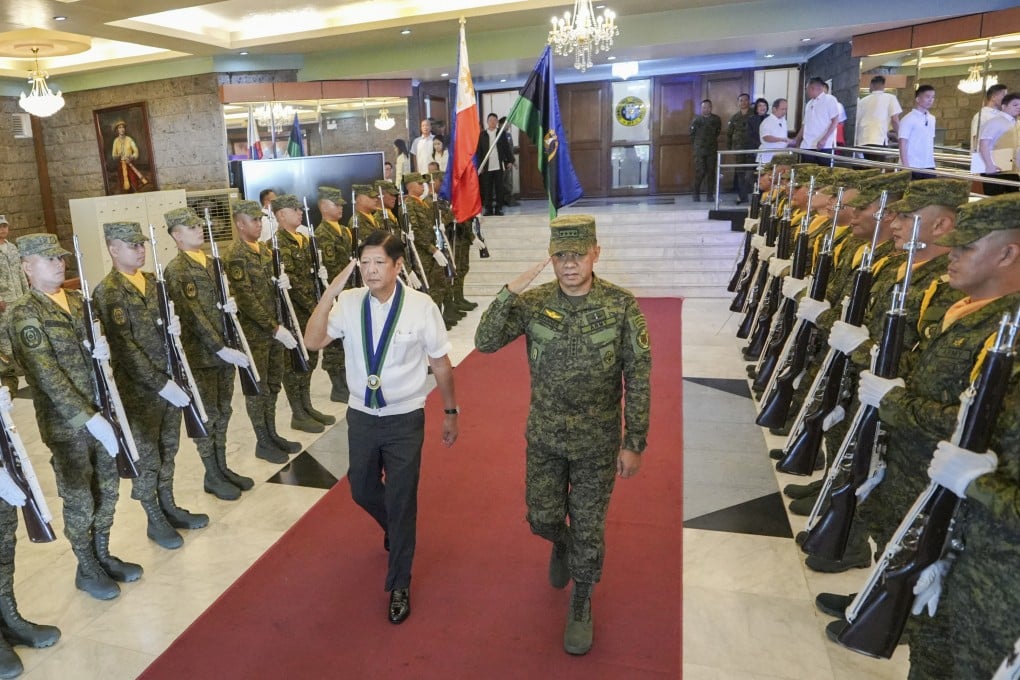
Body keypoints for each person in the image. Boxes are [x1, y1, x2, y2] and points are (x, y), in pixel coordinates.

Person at [841, 193, 1020, 677]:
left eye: (966, 247)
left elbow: (974, 429)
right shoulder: (969, 308)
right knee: (929, 644)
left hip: (990, 556)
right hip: (928, 484)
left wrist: (897, 402)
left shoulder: (1009, 332)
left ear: (1007, 254)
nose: (952, 254)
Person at [474, 215, 651, 656]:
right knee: (542, 518)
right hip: (546, 436)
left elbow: (639, 376)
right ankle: (559, 543)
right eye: (560, 256)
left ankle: (582, 600)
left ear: (596, 252)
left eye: (577, 254)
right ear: (550, 258)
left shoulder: (621, 305)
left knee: (589, 528)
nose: (569, 264)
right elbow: (484, 342)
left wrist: (634, 442)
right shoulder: (533, 303)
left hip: (598, 441)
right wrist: (510, 290)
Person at [304, 229, 459, 626]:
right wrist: (329, 294)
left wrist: (450, 411)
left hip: (405, 417)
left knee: (403, 499)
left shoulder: (421, 307)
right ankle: (393, 525)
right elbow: (313, 340)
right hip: (361, 416)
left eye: (379, 262)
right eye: (365, 263)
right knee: (362, 488)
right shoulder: (349, 302)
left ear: (398, 265)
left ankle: (399, 583)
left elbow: (440, 362)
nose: (371, 271)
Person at [10, 233, 141, 601]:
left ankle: (102, 553)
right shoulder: (25, 313)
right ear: (26, 267)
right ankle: (86, 567)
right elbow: (47, 376)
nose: (58, 263)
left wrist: (104, 354)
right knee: (80, 496)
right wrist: (89, 419)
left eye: (60, 258)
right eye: (48, 259)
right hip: (68, 426)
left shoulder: (78, 300)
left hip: (102, 411)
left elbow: (100, 358)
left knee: (108, 489)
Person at [94, 221, 207, 551]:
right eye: (132, 245)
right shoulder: (109, 292)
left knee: (168, 448)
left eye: (141, 244)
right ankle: (153, 517)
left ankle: (168, 503)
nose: (140, 249)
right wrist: (160, 384)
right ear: (114, 249)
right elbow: (125, 349)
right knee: (147, 457)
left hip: (169, 383)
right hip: (140, 392)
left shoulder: (153, 282)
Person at [163, 207, 254, 502]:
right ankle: (211, 474)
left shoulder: (213, 262)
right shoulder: (177, 270)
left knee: (224, 411)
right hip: (201, 356)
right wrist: (219, 348)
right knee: (208, 414)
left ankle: (221, 466)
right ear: (176, 235)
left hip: (225, 352)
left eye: (199, 226)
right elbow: (193, 316)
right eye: (191, 228)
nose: (199, 230)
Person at [224, 200, 302, 464]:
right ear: (240, 224)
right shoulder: (236, 255)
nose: (258, 225)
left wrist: (283, 285)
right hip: (255, 334)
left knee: (272, 385)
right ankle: (262, 440)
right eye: (253, 220)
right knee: (257, 389)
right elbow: (246, 299)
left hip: (274, 331)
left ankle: (272, 433)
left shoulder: (266, 251)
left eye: (260, 220)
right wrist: (274, 327)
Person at [271, 194, 336, 433]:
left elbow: (312, 276)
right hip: (295, 314)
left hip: (312, 310)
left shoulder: (305, 240)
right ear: (280, 215)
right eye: (294, 209)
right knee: (295, 363)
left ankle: (307, 406)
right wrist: (315, 307)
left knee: (311, 358)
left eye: (300, 209)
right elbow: (294, 283)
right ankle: (298, 412)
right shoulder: (276, 245)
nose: (300, 212)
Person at [314, 186, 352, 402]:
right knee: (334, 340)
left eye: (340, 205)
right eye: (335, 204)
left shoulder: (344, 230)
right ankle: (338, 386)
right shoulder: (321, 235)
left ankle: (347, 380)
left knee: (347, 338)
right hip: (333, 293)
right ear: (323, 206)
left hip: (348, 293)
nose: (340, 208)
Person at [0, 216, 27, 395]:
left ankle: (21, 363)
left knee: (19, 330)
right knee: (4, 334)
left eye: (4, 226)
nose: (2, 229)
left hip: (18, 296)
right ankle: (9, 370)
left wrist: (26, 295)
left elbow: (20, 272)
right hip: (4, 299)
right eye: (0, 227)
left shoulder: (12, 248)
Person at [977, 92, 1020, 195]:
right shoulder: (995, 121)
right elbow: (983, 144)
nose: (1018, 107)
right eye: (1015, 105)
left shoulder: (1015, 123)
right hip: (995, 169)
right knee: (995, 203)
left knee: (1013, 201)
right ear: (1004, 106)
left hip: (1011, 169)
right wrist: (989, 165)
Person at [794, 77, 841, 164]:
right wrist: (797, 139)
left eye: (806, 89)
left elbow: (835, 121)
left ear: (812, 88)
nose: (806, 91)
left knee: (821, 174)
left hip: (823, 146)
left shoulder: (830, 99)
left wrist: (824, 139)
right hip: (807, 146)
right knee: (806, 174)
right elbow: (805, 124)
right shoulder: (809, 103)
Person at [854, 75, 902, 159]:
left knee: (867, 168)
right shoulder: (890, 98)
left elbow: (857, 122)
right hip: (878, 140)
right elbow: (895, 120)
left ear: (871, 85)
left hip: (863, 139)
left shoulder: (862, 101)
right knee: (877, 167)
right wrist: (900, 137)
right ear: (884, 86)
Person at [476, 113, 513, 216]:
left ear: (497, 122)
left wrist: (509, 161)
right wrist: (480, 165)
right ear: (487, 122)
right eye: (490, 120)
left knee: (499, 188)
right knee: (487, 188)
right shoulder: (482, 135)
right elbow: (479, 152)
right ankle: (488, 209)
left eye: (494, 120)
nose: (492, 122)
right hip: (486, 166)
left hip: (498, 165)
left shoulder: (501, 133)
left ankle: (499, 208)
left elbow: (506, 149)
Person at [898, 84, 937, 178]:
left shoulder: (932, 118)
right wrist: (905, 166)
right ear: (918, 99)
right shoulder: (908, 119)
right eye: (927, 97)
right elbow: (902, 142)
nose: (930, 100)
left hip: (929, 165)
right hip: (912, 165)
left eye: (933, 97)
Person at [970, 83, 1009, 173]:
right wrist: (988, 163)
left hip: (1002, 159)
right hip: (987, 164)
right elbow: (977, 140)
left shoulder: (1000, 115)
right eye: (1004, 95)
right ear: (993, 97)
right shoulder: (982, 116)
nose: (1006, 99)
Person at [690, 99, 722, 202]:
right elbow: (692, 135)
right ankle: (696, 194)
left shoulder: (716, 119)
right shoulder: (696, 120)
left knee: (711, 172)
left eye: (708, 107)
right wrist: (698, 145)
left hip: (711, 150)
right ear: (701, 108)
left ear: (711, 108)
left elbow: (717, 132)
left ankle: (710, 195)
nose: (706, 109)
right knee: (700, 172)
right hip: (699, 150)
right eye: (704, 107)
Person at [727, 93, 754, 203]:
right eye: (741, 100)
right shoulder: (734, 117)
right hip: (739, 148)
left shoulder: (754, 114)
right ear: (738, 103)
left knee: (750, 173)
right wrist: (729, 149)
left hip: (752, 148)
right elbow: (729, 133)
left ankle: (747, 195)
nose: (743, 102)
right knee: (740, 173)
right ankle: (743, 196)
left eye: (745, 100)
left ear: (749, 101)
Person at [109, 121, 150, 193]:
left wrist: (131, 157)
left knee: (134, 182)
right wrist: (118, 155)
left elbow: (136, 152)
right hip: (121, 165)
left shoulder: (129, 139)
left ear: (125, 129)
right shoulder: (115, 141)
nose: (122, 129)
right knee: (123, 186)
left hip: (130, 164)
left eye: (123, 127)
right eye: (119, 127)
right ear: (117, 130)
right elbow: (113, 156)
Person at [757, 98, 790, 164]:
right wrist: (782, 139)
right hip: (767, 157)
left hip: (780, 156)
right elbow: (766, 137)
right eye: (782, 109)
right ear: (774, 109)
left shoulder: (784, 121)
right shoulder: (767, 121)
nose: (784, 112)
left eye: (786, 109)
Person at [499, 116, 519, 206]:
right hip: (503, 162)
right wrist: (506, 161)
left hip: (510, 161)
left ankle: (509, 199)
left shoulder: (508, 135)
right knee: (503, 182)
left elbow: (510, 150)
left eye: (509, 124)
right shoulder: (498, 135)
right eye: (507, 124)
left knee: (509, 182)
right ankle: (503, 200)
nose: (509, 126)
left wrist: (513, 162)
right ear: (500, 124)